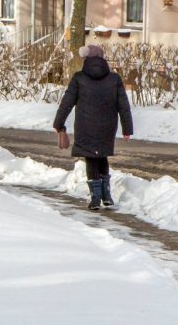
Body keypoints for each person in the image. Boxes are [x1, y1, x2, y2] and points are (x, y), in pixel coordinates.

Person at [53, 44, 133, 210]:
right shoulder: (114, 79)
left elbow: (67, 102)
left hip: (85, 125)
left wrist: (58, 123)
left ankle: (96, 198)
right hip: (107, 126)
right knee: (102, 155)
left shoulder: (79, 78)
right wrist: (127, 128)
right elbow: (123, 105)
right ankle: (107, 195)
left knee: (91, 157)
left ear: (86, 59)